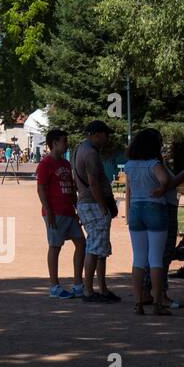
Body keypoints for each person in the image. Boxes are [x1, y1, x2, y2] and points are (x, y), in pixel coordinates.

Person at [124, 128, 184, 315]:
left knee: (138, 258)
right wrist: (161, 189)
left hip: (136, 211)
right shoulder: (154, 164)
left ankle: (138, 302)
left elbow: (129, 189)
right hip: (155, 208)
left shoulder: (130, 165)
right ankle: (158, 302)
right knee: (156, 257)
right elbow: (165, 180)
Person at [72, 120, 120, 303]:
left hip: (87, 203)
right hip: (93, 204)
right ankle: (89, 291)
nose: (107, 138)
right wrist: (102, 205)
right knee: (94, 247)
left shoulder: (80, 149)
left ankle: (102, 288)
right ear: (96, 134)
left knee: (100, 247)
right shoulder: (90, 153)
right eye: (105, 134)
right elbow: (93, 182)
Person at [36, 128, 85, 299]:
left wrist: (77, 207)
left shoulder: (65, 164)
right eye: (64, 141)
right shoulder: (45, 164)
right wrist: (48, 211)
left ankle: (78, 283)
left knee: (81, 243)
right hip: (55, 212)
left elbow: (71, 187)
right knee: (55, 247)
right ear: (54, 143)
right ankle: (54, 286)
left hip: (68, 211)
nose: (66, 144)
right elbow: (41, 188)